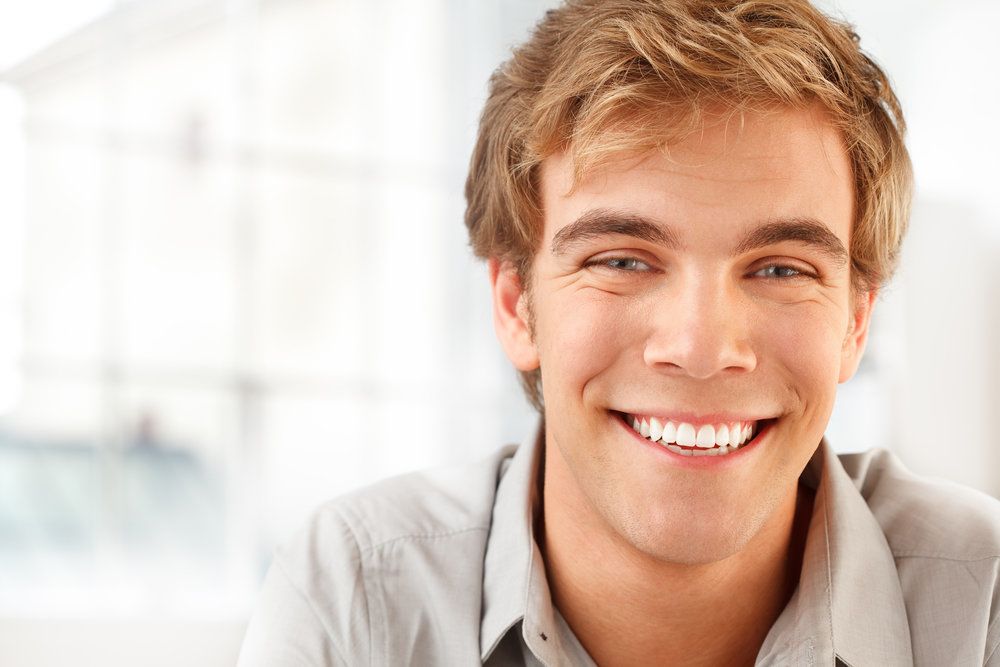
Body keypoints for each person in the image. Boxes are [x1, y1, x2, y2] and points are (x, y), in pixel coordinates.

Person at [238, 1, 1000, 664]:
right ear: (516, 304)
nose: (701, 348)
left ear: (856, 322)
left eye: (780, 269)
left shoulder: (983, 599)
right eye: (623, 260)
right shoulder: (355, 598)